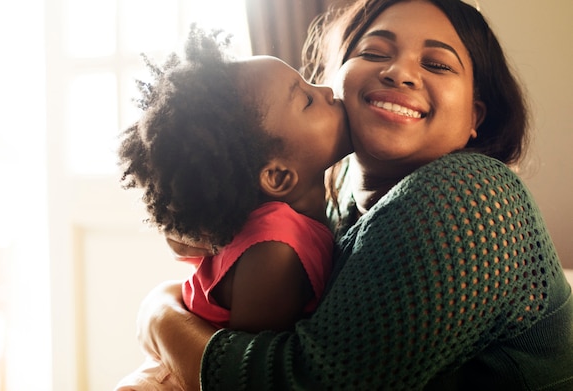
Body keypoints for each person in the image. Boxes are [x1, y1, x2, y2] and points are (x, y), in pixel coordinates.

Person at [133, 0, 573, 390]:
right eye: (374, 52)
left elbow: (305, 381)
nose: (399, 72)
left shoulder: (469, 194)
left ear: (475, 115)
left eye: (437, 64)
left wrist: (160, 315)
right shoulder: (334, 199)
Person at [114, 26, 351, 390]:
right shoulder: (278, 250)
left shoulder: (277, 224)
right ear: (277, 176)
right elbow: (241, 375)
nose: (327, 90)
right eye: (306, 100)